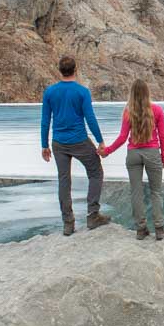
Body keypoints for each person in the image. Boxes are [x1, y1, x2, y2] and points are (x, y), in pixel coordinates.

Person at [40, 56, 110, 235]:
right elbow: (90, 118)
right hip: (79, 139)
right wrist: (100, 141)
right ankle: (93, 215)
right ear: (75, 70)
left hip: (58, 143)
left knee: (64, 179)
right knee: (95, 172)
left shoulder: (50, 92)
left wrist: (44, 145)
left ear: (59, 70)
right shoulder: (82, 92)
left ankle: (68, 223)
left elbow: (45, 120)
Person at [100, 79, 164, 240]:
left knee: (136, 192)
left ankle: (140, 229)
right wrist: (163, 155)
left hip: (133, 154)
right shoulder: (157, 110)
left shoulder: (128, 111)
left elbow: (123, 137)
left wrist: (107, 151)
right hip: (152, 153)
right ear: (147, 92)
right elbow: (163, 136)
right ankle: (159, 229)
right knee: (156, 192)